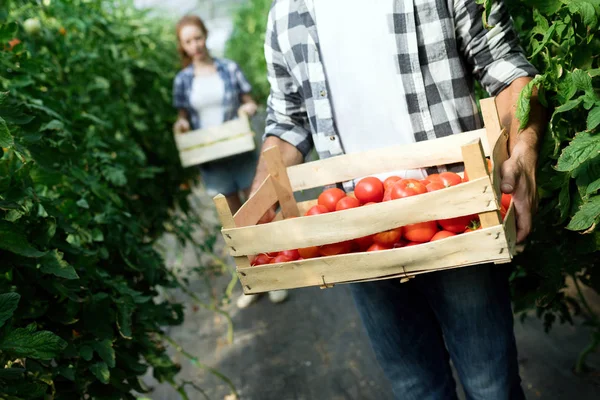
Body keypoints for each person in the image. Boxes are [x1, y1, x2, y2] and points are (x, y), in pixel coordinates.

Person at [251, 1, 546, 399]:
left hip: (455, 220)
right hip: (359, 235)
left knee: (491, 385)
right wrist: (258, 194)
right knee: (415, 388)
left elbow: (507, 68)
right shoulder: (286, 14)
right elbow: (287, 119)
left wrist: (523, 148)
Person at [172, 15, 288, 309]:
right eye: (188, 41)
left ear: (205, 36)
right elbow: (183, 117)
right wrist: (181, 126)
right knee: (234, 222)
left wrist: (247, 109)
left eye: (198, 38)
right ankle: (254, 280)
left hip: (240, 151)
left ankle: (276, 275)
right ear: (183, 47)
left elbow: (249, 101)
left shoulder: (228, 68)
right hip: (211, 159)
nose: (195, 45)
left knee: (259, 212)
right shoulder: (183, 81)